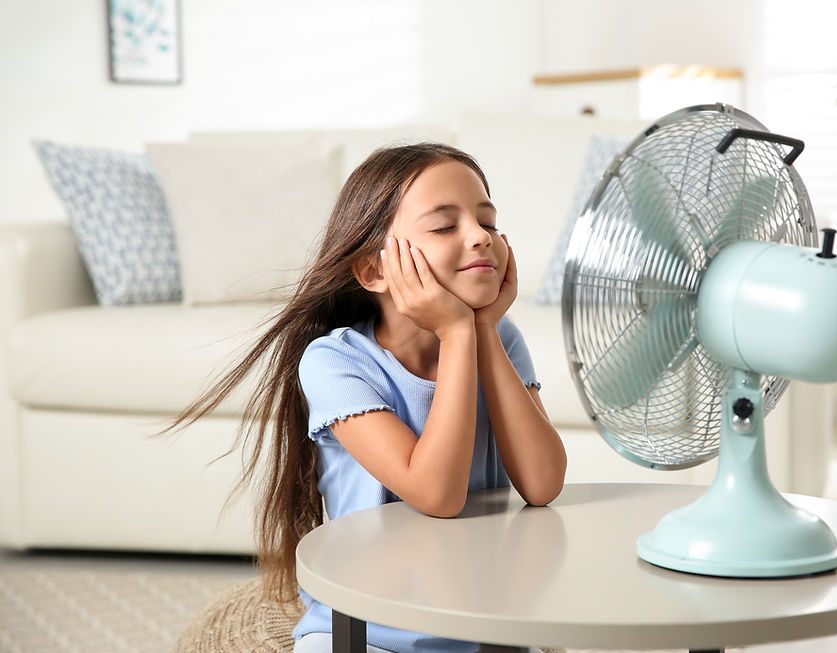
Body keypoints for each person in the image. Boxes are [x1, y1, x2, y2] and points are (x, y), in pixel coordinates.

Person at [171, 142, 567, 653]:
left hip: (488, 629)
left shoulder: (499, 337)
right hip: (366, 631)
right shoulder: (336, 362)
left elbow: (542, 483)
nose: (480, 238)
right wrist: (458, 335)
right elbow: (437, 495)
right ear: (374, 270)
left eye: (487, 222)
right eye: (446, 226)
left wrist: (484, 331)